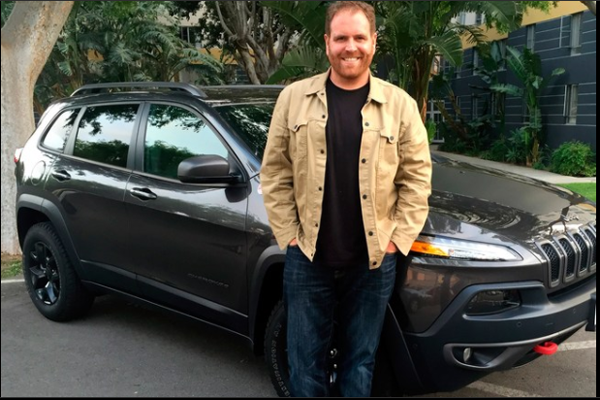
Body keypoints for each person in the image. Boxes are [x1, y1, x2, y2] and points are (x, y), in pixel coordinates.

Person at [260, 1, 432, 397]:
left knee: (360, 363)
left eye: (358, 37)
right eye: (341, 38)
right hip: (307, 257)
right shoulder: (293, 99)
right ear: (327, 43)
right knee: (304, 365)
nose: (349, 46)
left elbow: (417, 178)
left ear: (373, 42)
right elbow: (274, 171)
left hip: (372, 261)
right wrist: (288, 235)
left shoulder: (400, 105)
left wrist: (395, 241)